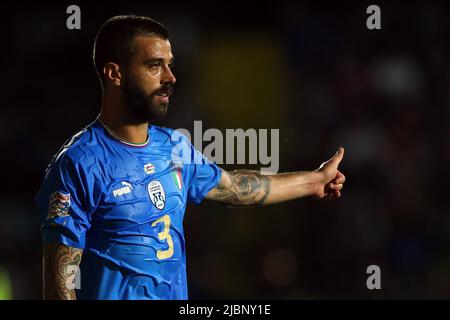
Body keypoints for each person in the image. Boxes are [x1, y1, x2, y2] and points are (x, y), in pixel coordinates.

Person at [35, 15, 346, 300]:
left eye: (170, 65)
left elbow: (236, 188)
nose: (170, 77)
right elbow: (60, 280)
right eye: (155, 66)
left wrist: (314, 180)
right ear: (115, 74)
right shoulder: (80, 163)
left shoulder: (173, 147)